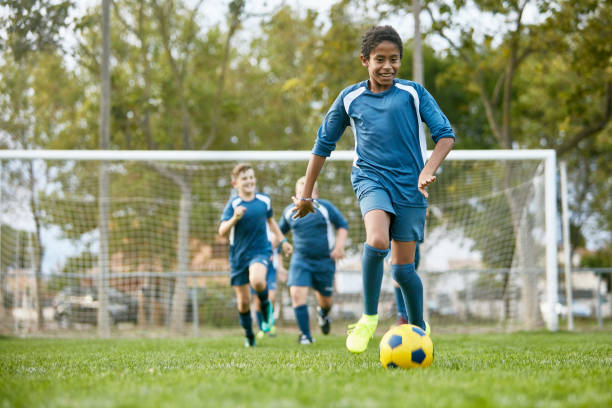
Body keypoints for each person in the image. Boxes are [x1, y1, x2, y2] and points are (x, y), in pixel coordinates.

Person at [291, 25, 455, 354]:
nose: (388, 66)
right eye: (380, 59)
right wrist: (306, 195)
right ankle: (367, 319)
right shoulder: (350, 98)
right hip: (370, 179)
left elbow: (445, 136)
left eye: (394, 60)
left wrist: (427, 170)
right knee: (377, 239)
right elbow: (322, 146)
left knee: (403, 269)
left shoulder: (413, 93)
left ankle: (418, 326)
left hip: (410, 185)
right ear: (365, 60)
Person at [219, 163, 293, 347]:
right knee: (243, 303)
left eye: (251, 177)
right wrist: (234, 218)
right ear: (235, 183)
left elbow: (271, 223)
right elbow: (222, 231)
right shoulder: (233, 205)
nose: (249, 181)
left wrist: (283, 241)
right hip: (238, 256)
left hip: (260, 250)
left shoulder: (264, 201)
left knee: (258, 280)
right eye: (244, 178)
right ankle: (248, 335)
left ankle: (266, 306)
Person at [279, 177, 348, 344]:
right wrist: (280, 265)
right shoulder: (289, 212)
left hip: (324, 261)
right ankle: (305, 336)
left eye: (307, 193)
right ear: (295, 195)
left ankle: (323, 315)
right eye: (300, 193)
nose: (303, 197)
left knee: (325, 301)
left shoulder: (325, 208)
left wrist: (339, 247)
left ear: (315, 193)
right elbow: (278, 236)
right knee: (296, 294)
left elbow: (342, 225)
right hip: (300, 260)